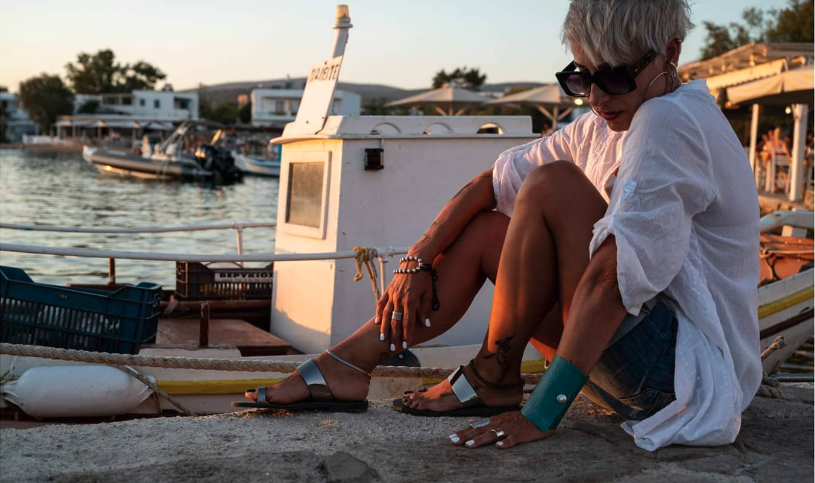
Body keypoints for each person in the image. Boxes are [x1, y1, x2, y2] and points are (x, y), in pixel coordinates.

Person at [237, 0, 761, 452]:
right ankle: (352, 363)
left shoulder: (669, 120)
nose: (596, 97)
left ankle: (491, 375)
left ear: (671, 53)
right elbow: (494, 180)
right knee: (492, 229)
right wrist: (415, 262)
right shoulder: (606, 124)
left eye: (615, 76)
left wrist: (542, 414)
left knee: (552, 184)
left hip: (682, 381)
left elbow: (609, 280)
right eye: (581, 77)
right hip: (637, 365)